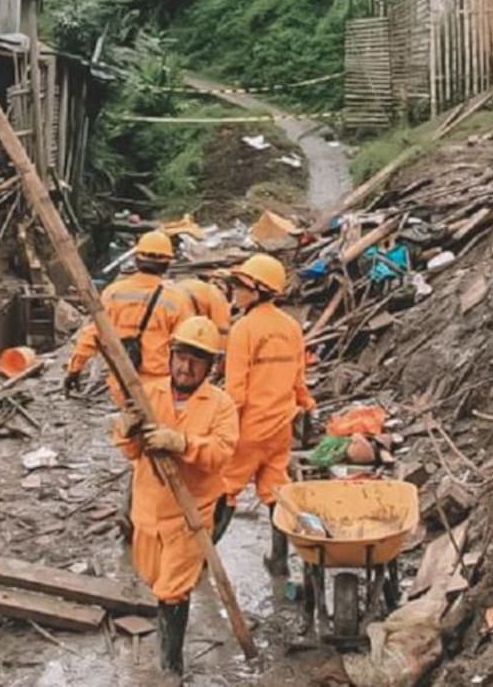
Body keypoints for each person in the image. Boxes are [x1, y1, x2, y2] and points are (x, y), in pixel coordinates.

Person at [112, 316, 238, 676]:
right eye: (181, 356)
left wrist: (182, 443)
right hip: (148, 513)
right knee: (154, 580)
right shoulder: (148, 395)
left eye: (196, 360)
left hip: (190, 515)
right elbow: (131, 452)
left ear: (209, 366)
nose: (185, 366)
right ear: (170, 356)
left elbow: (221, 452)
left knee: (172, 591)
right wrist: (126, 429)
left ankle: (171, 669)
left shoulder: (220, 405)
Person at [213, 253, 315, 575]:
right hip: (280, 426)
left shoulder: (243, 329)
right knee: (274, 488)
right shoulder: (292, 328)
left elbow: (236, 390)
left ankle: (203, 556)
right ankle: (279, 560)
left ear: (257, 289)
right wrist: (306, 407)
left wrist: (222, 427)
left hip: (248, 428)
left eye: (240, 285)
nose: (235, 291)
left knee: (226, 489)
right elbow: (300, 381)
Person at [63, 230, 194, 407]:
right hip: (158, 383)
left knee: (129, 428)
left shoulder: (113, 292)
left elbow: (92, 334)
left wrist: (74, 369)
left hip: (122, 380)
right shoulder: (176, 300)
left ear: (137, 260)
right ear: (167, 263)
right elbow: (187, 346)